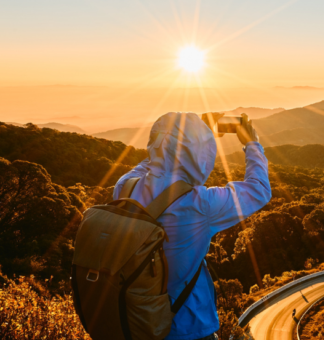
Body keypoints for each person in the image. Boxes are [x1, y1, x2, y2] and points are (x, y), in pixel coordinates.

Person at [113, 112, 271, 340]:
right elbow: (258, 189)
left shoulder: (125, 187)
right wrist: (251, 143)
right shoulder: (200, 204)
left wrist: (179, 138)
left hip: (134, 323)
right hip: (186, 328)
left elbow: (152, 162)